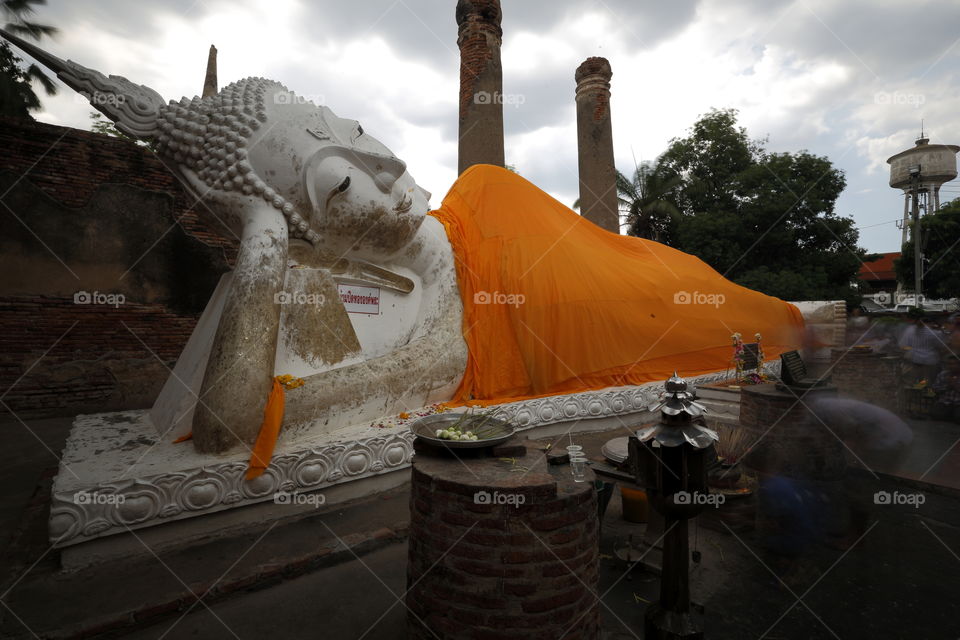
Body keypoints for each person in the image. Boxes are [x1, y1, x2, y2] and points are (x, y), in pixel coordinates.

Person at [898, 308, 943, 384]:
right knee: (929, 382)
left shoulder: (909, 330)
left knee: (918, 383)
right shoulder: (935, 332)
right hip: (930, 361)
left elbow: (902, 346)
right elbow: (940, 346)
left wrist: (911, 350)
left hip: (916, 361)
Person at [932, 357, 960, 423]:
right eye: (949, 364)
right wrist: (948, 387)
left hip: (958, 403)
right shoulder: (942, 374)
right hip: (945, 402)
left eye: (954, 364)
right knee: (934, 414)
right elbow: (935, 390)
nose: (951, 366)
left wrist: (955, 385)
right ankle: (953, 417)